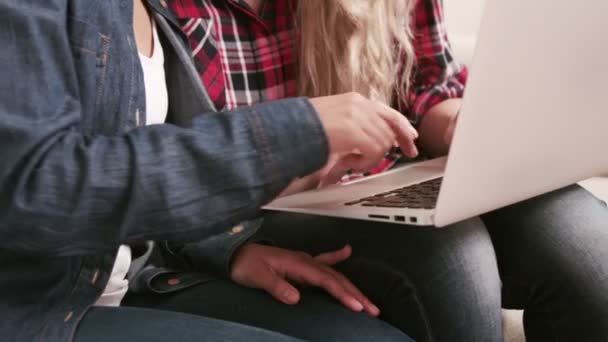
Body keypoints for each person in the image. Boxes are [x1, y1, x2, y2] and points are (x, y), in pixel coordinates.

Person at [166, 0, 608, 341]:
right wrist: (226, 248)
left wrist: (461, 126)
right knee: (451, 256)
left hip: (389, 179)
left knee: (588, 244)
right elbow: (141, 169)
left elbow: (428, 87)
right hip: (250, 216)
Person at [0, 0, 419, 341]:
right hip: (36, 313)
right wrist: (295, 131)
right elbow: (37, 187)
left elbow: (146, 179)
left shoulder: (153, 12)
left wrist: (228, 249)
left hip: (113, 286)